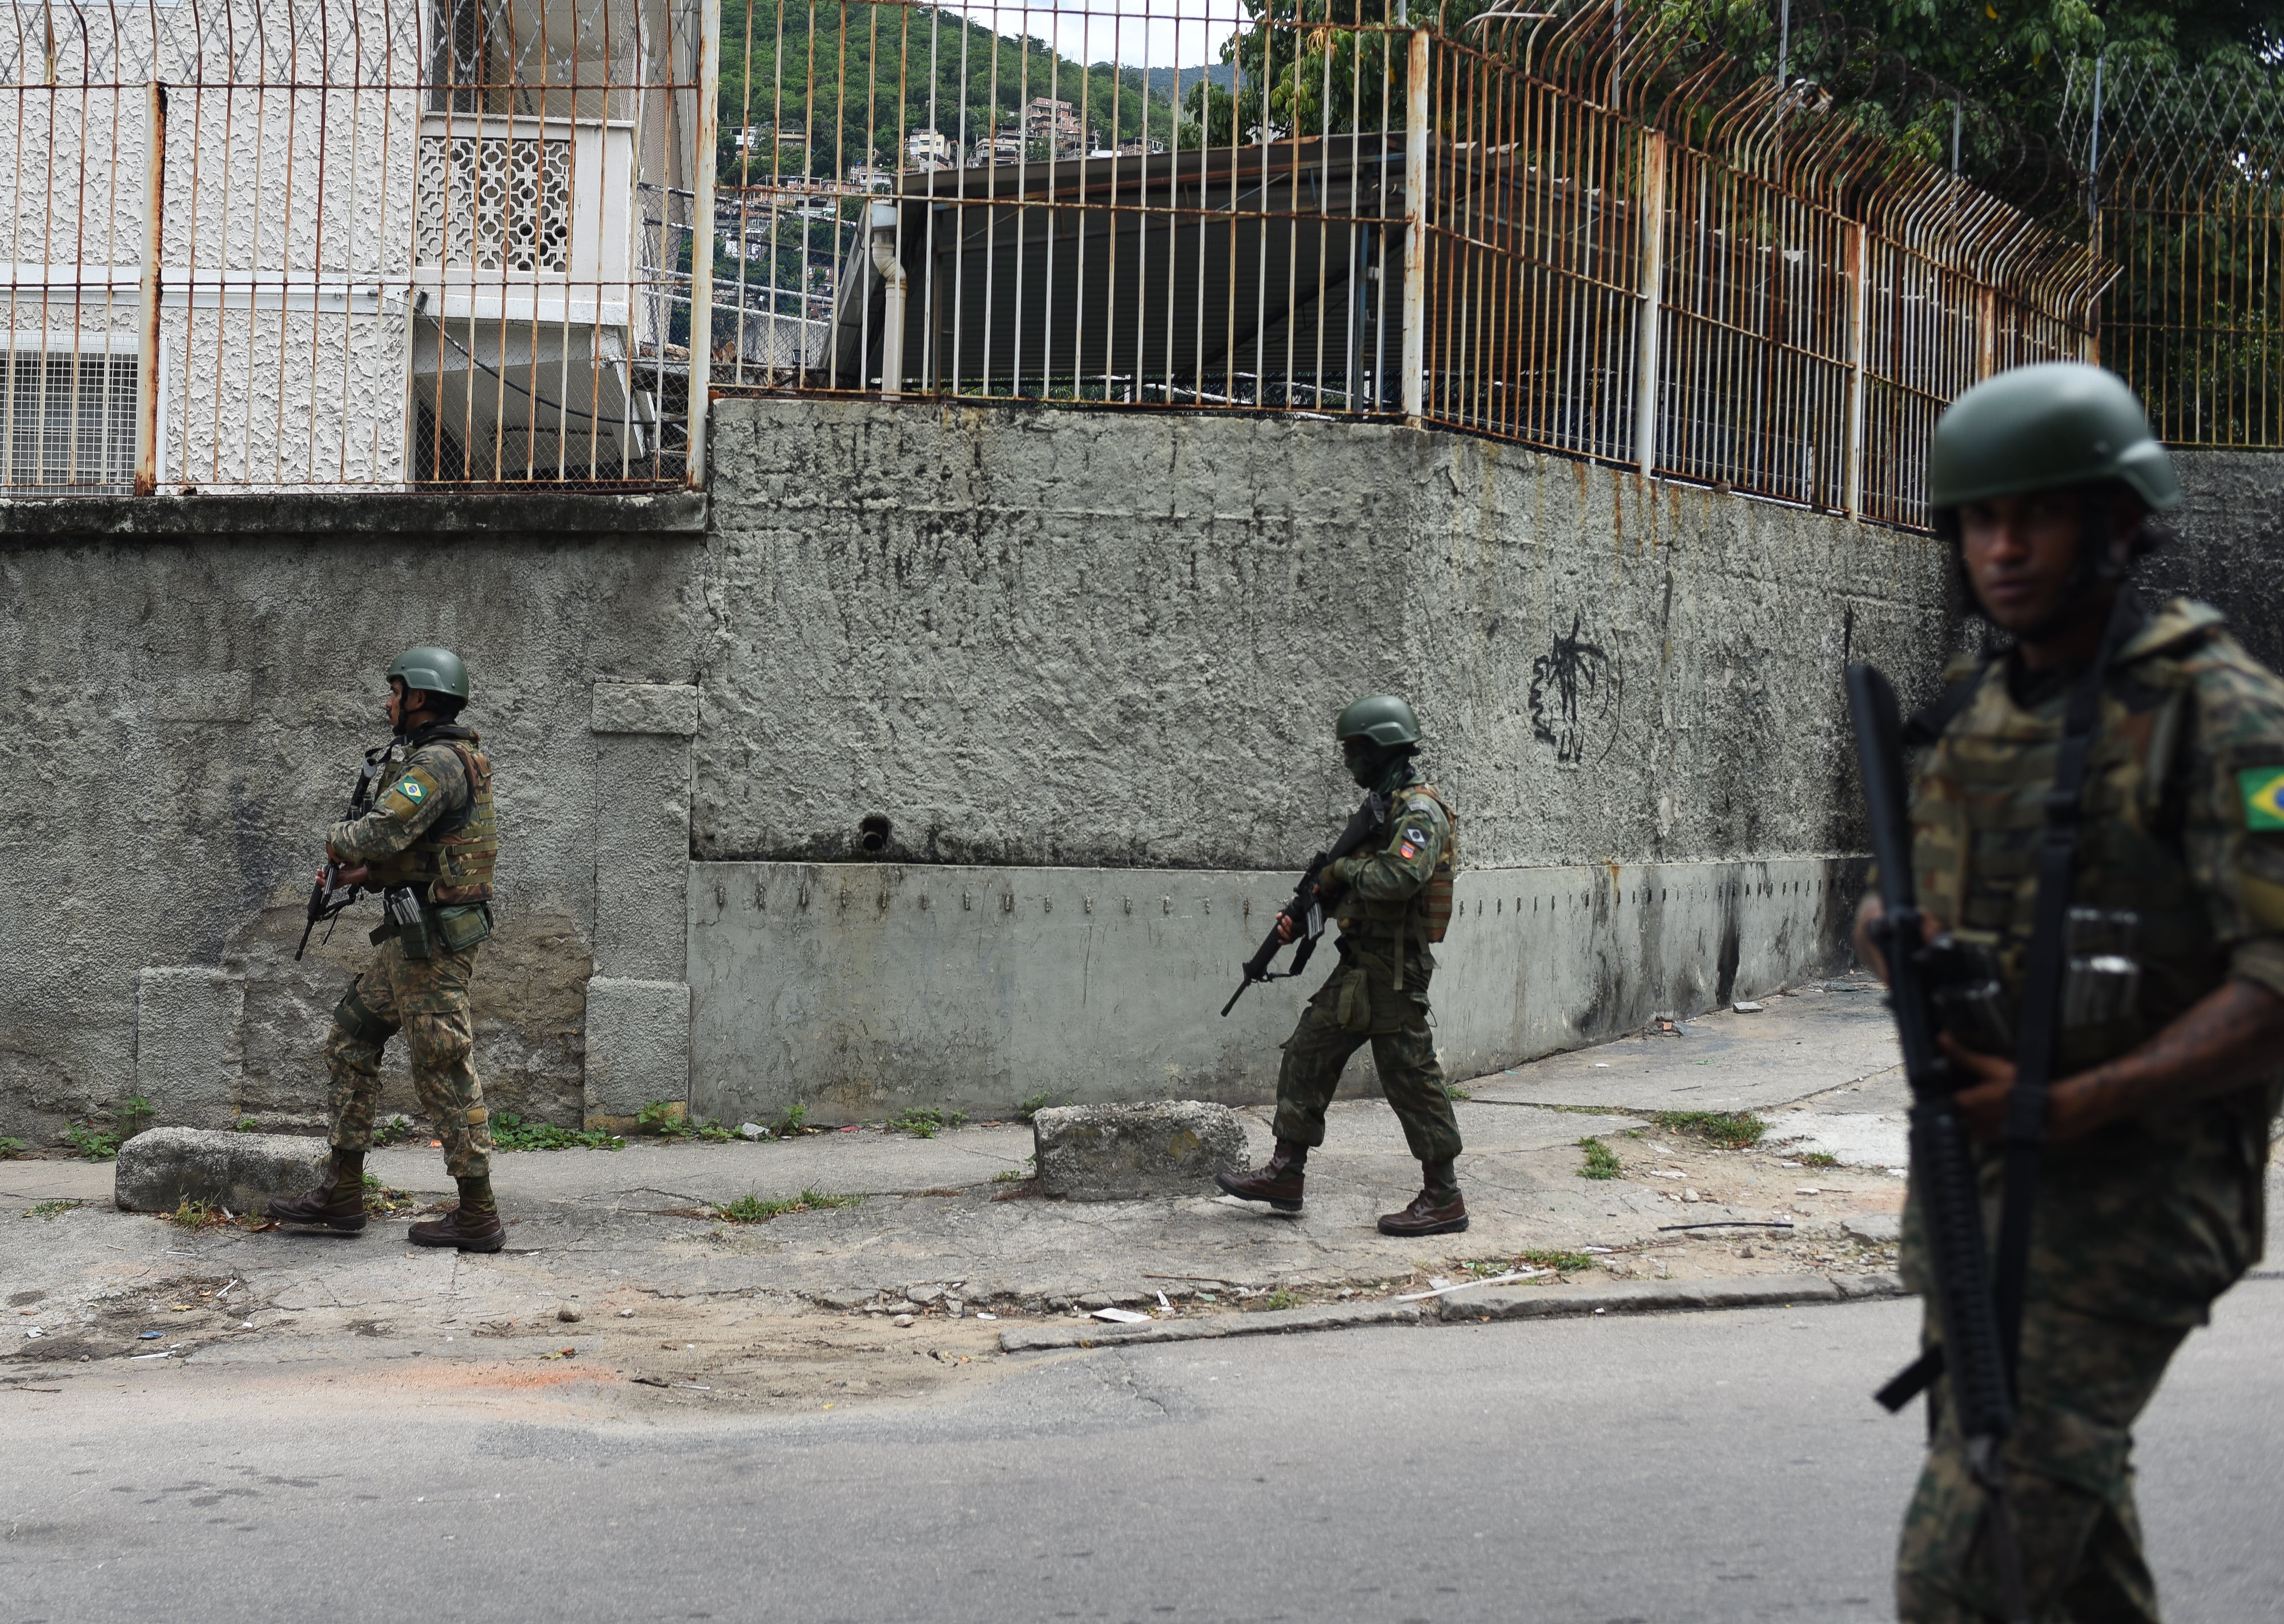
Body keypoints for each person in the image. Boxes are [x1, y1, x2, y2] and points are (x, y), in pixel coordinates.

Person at [1853, 362, 2284, 1622]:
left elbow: (2276, 973)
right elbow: (1923, 916)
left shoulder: (2222, 718)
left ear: (2114, 521)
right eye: (1977, 520)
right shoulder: (1977, 716)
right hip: (1981, 1180)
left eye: (2033, 515)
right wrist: (1891, 940)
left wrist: (2076, 1098)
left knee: (1967, 1564)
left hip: (2133, 1196)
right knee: (2065, 1553)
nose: (2000, 546)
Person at [270, 647, 505, 1252]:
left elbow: (380, 832)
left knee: (442, 1064)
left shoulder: (438, 763)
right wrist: (361, 879)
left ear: (420, 698)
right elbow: (418, 855)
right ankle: (343, 1192)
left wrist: (335, 840)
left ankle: (478, 1213)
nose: (388, 701)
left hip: (432, 947)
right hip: (409, 938)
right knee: (351, 1037)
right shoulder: (442, 760)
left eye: (395, 691)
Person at [1217, 694, 1470, 1236]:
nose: (1348, 761)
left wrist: (1341, 872)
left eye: (1354, 750)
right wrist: (1310, 911)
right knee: (1308, 1051)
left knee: (1411, 1078)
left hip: (1395, 974)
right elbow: (1355, 885)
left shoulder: (1419, 812)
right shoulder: (1381, 811)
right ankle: (1286, 1173)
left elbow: (1397, 879)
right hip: (1361, 967)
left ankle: (1444, 1195)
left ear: (1380, 749)